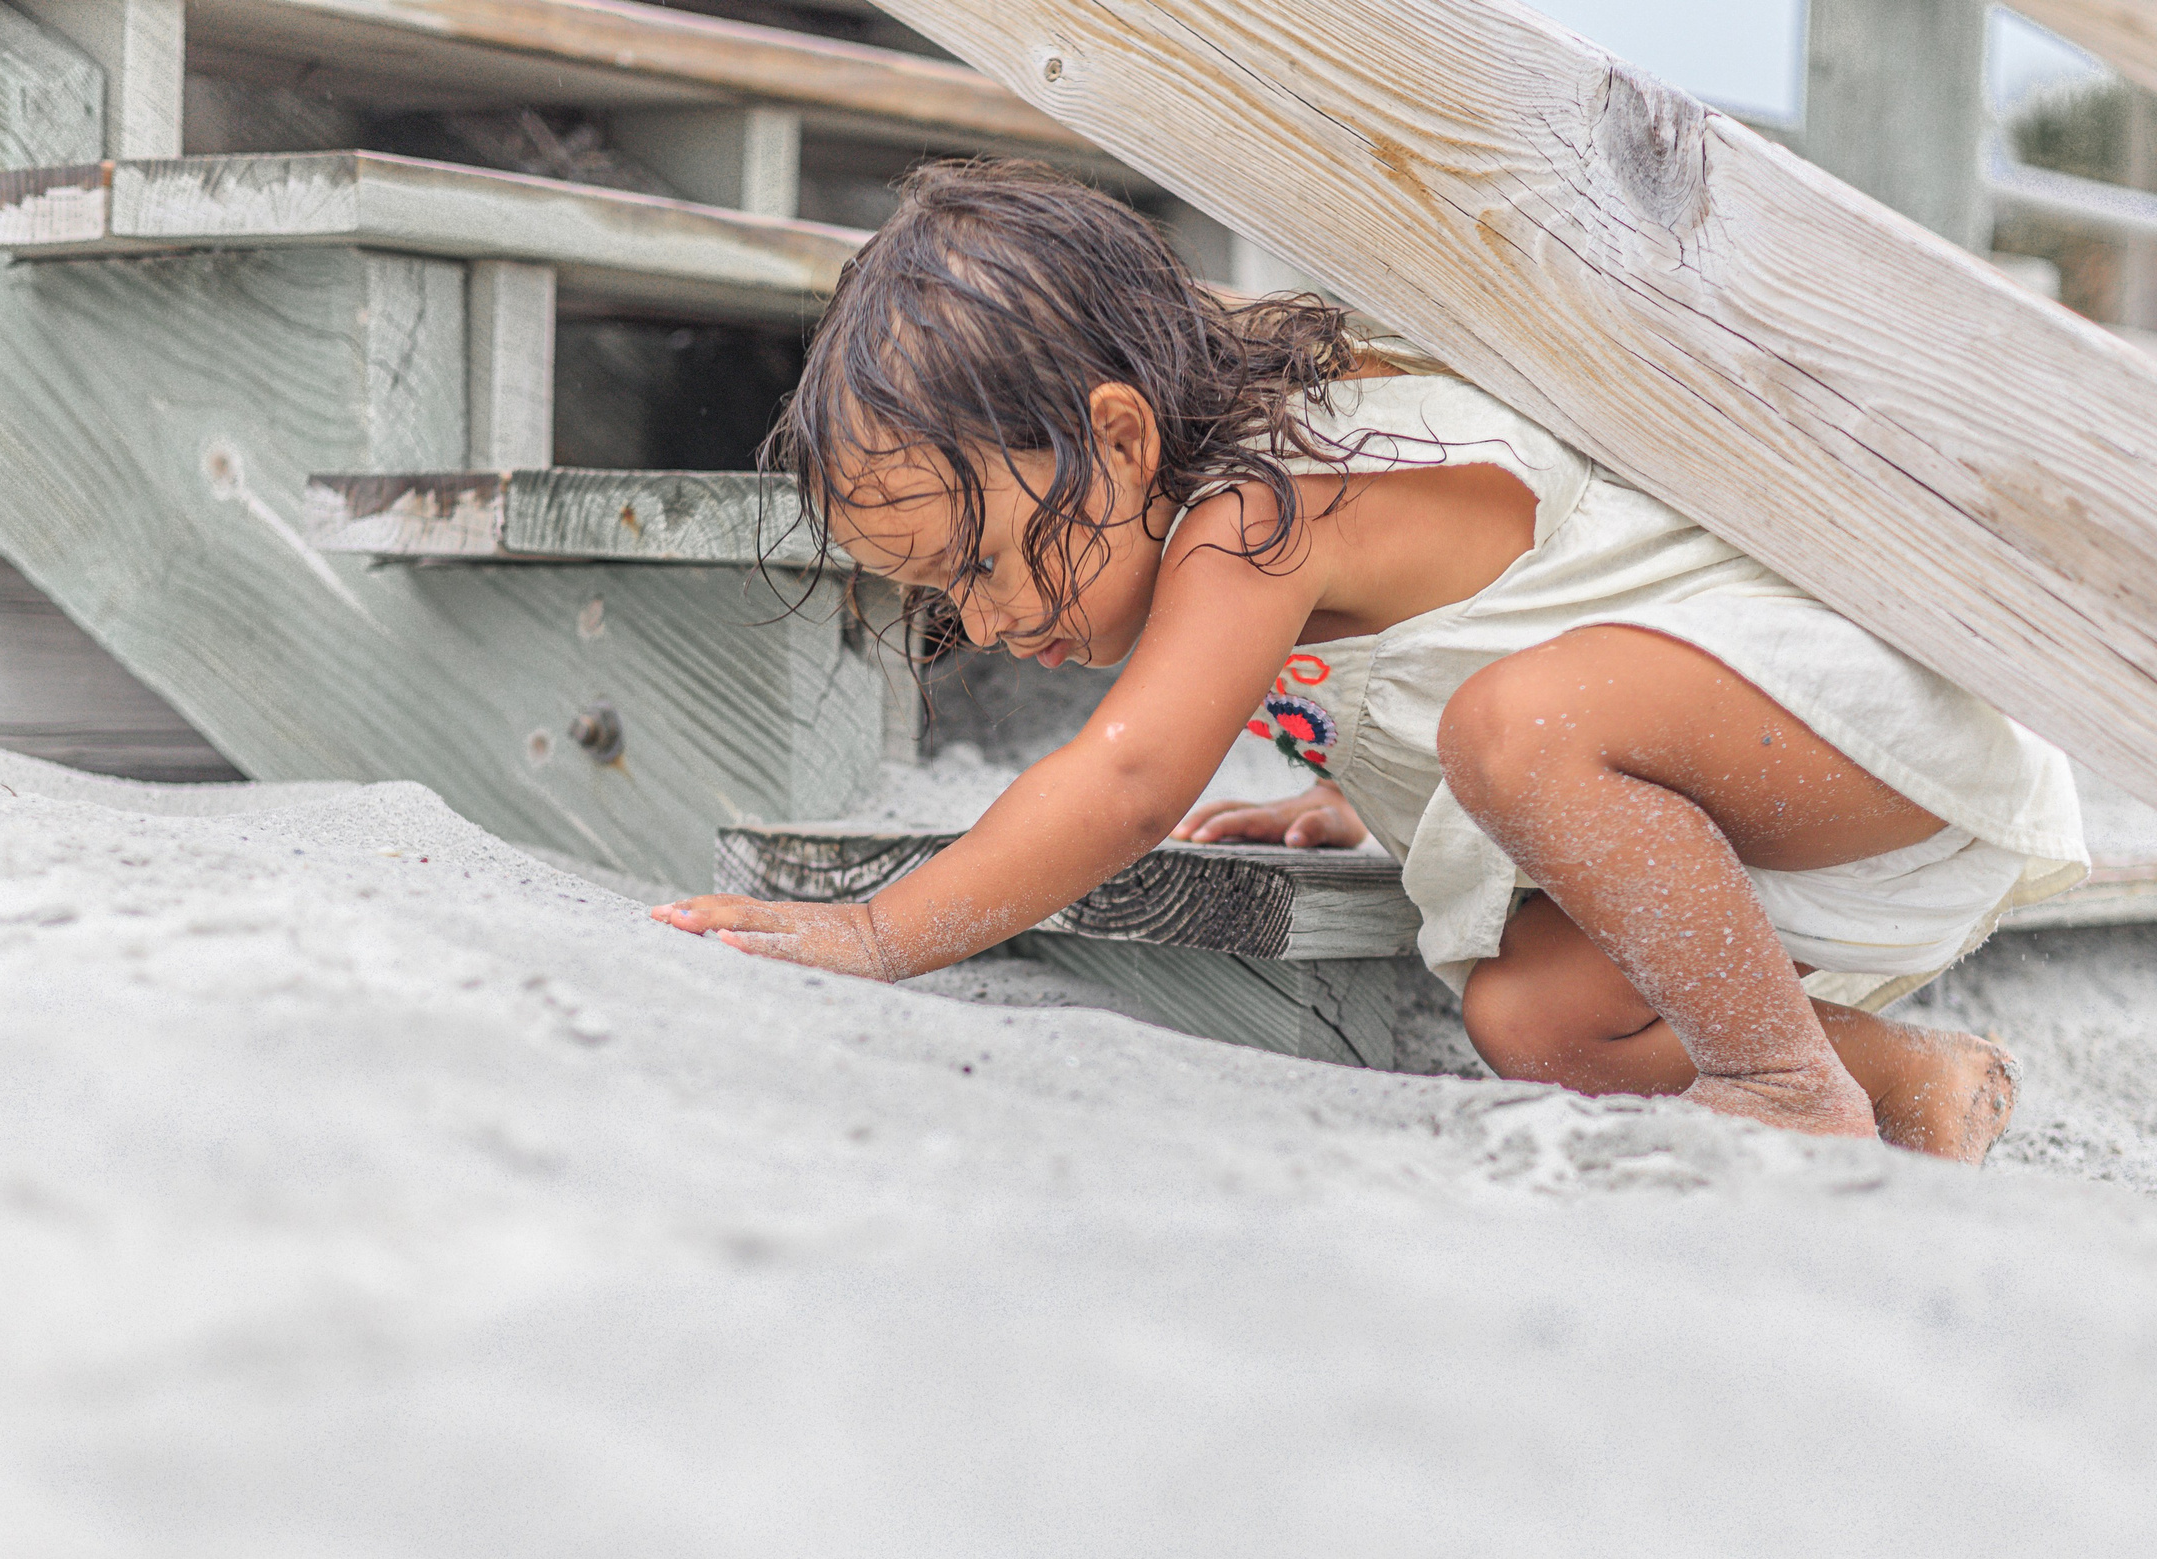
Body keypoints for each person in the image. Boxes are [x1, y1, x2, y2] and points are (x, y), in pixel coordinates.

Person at [651, 160, 2087, 1162]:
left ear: (1123, 439)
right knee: (1531, 1021)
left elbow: (1135, 777)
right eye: (938, 595)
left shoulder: (1260, 511)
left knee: (1519, 728)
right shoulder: (1239, 530)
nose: (978, 618)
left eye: (981, 557)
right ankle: (1906, 1082)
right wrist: (1372, 791)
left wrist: (884, 932)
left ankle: (1777, 1082)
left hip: (1862, 743)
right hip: (1750, 808)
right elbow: (1454, 649)